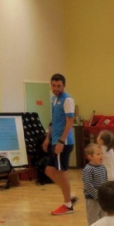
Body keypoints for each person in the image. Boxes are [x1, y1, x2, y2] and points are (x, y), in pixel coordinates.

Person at [42, 73, 77, 216]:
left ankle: (68, 205)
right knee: (49, 171)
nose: (56, 88)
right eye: (54, 85)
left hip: (64, 142)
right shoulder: (54, 99)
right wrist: (47, 138)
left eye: (59, 86)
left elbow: (70, 122)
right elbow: (54, 121)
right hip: (55, 140)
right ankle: (70, 195)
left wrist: (61, 141)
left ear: (64, 86)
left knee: (61, 173)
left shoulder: (67, 100)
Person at [82, 143, 108, 226]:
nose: (101, 156)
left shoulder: (103, 167)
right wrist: (97, 195)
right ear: (90, 157)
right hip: (92, 198)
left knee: (103, 216)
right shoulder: (88, 169)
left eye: (101, 153)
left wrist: (106, 193)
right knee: (93, 218)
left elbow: (105, 181)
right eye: (98, 154)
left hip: (102, 197)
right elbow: (88, 184)